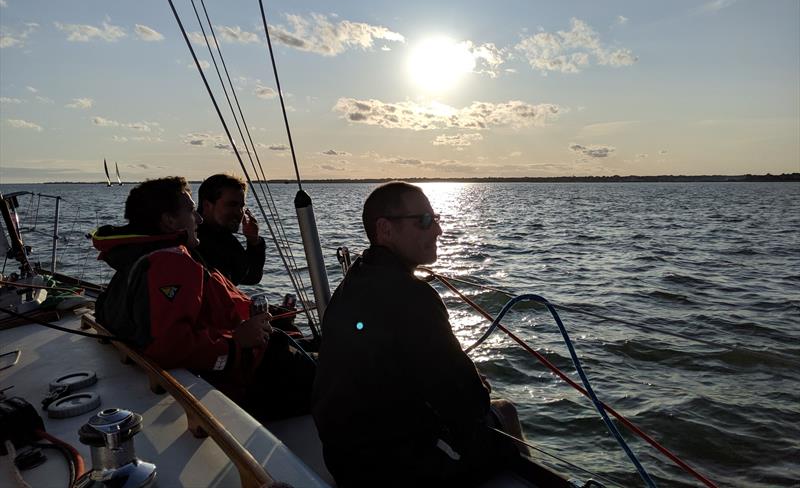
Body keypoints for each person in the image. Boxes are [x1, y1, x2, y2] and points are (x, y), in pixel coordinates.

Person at [312, 182, 521, 487]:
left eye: (436, 218)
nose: (437, 231)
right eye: (424, 221)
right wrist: (477, 388)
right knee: (504, 412)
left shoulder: (353, 281)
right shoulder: (413, 296)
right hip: (396, 471)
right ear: (385, 230)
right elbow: (467, 402)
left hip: (344, 459)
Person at [92, 176, 313, 420]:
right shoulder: (171, 264)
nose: (197, 218)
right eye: (190, 211)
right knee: (345, 374)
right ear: (168, 221)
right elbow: (169, 345)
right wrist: (236, 342)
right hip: (254, 373)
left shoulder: (137, 258)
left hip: (250, 353)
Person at [195, 173, 265, 286]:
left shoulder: (224, 237)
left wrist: (254, 242)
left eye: (241, 206)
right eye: (232, 205)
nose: (239, 212)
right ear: (207, 205)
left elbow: (251, 277)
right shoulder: (193, 240)